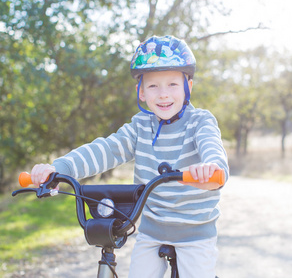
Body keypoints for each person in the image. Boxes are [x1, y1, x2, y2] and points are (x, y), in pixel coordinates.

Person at [30, 35, 229, 278]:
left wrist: (210, 167)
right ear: (141, 92)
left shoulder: (200, 121)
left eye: (173, 85)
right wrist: (57, 168)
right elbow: (105, 150)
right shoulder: (139, 127)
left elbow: (212, 149)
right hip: (151, 230)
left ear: (189, 86)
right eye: (153, 86)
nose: (163, 94)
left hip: (195, 232)